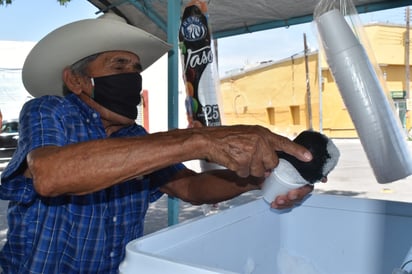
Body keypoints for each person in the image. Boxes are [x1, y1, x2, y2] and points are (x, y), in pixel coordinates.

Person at [0, 13, 318, 273]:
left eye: (136, 68)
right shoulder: (50, 110)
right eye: (119, 66)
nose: (132, 77)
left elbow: (191, 188)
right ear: (77, 80)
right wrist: (199, 139)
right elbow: (51, 175)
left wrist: (258, 180)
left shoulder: (135, 138)